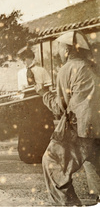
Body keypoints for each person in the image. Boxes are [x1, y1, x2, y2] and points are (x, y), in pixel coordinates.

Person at [35, 30, 100, 205]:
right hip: (96, 129)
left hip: (81, 128)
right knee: (92, 161)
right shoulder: (92, 67)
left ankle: (69, 204)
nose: (58, 53)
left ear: (67, 51)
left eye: (59, 48)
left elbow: (59, 107)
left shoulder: (67, 69)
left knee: (51, 162)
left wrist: (43, 92)